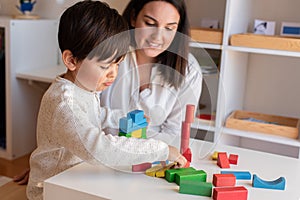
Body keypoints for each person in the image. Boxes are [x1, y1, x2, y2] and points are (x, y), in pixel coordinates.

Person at [26, 1, 187, 199]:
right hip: (51, 190)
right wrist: (161, 150)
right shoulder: (64, 102)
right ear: (71, 60)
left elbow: (96, 114)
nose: (113, 74)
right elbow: (97, 147)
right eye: (105, 66)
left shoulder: (83, 88)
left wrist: (121, 117)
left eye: (117, 64)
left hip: (76, 179)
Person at [100, 0, 203, 146]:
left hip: (152, 158)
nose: (157, 37)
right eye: (150, 23)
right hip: (102, 152)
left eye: (169, 28)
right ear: (134, 18)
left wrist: (143, 154)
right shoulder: (108, 53)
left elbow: (174, 133)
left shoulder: (189, 70)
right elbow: (87, 114)